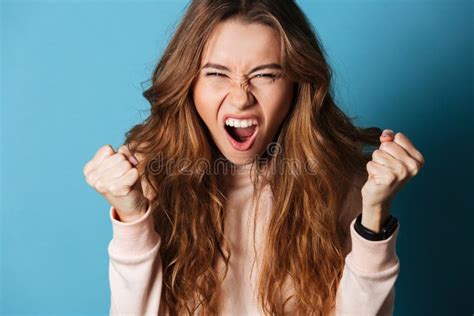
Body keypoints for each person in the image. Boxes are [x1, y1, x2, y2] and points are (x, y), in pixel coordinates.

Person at [83, 1, 425, 315]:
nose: (241, 97)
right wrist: (131, 217)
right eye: (217, 74)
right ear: (188, 83)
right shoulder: (151, 178)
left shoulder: (341, 182)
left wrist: (374, 218)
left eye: (265, 75)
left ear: (297, 83)